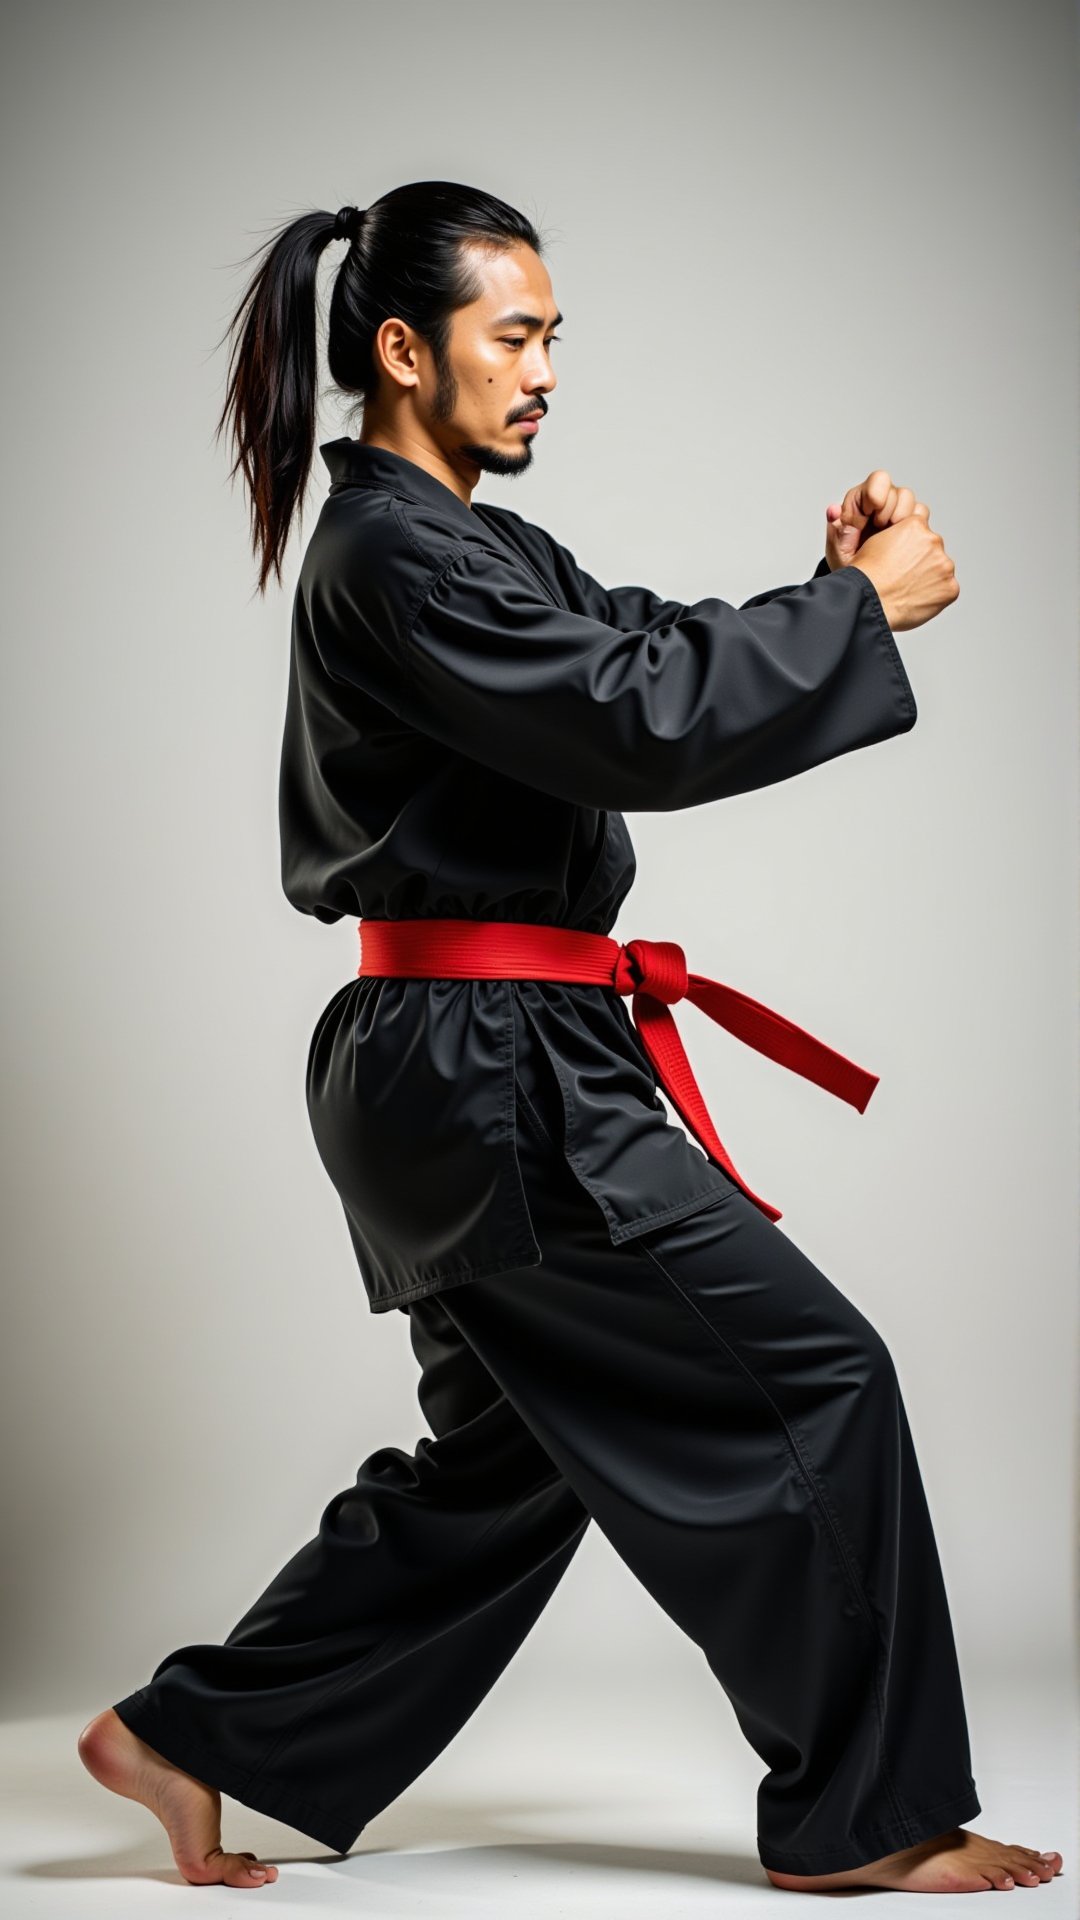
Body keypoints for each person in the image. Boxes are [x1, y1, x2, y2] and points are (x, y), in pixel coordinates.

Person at [77, 180, 1062, 1896]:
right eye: (514, 335)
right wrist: (862, 620)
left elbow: (632, 651)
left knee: (516, 1461)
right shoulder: (393, 552)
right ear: (403, 349)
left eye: (554, 338)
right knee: (821, 1381)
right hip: (489, 1066)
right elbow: (632, 722)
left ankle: (190, 1736)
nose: (545, 370)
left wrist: (825, 586)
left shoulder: (466, 541)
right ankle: (870, 1822)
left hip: (471, 1058)